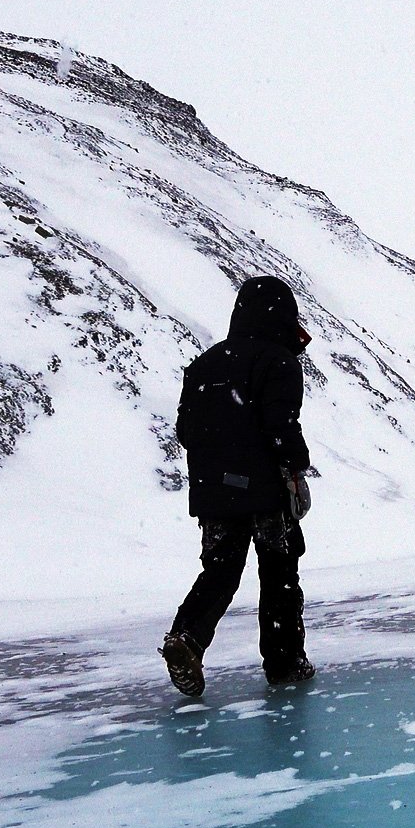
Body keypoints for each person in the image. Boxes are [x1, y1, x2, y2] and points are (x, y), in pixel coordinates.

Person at [160, 275, 317, 695]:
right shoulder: (278, 361)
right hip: (265, 491)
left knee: (221, 570)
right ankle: (285, 663)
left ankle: (187, 637)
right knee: (279, 571)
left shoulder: (204, 364)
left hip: (214, 490)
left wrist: (221, 465)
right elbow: (281, 425)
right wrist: (295, 469)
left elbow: (185, 429)